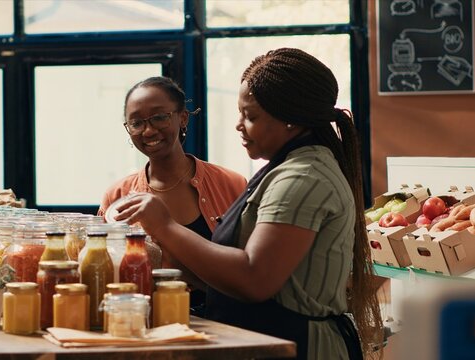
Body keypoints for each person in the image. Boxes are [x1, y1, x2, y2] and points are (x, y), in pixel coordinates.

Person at [113, 49, 383, 359]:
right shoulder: (285, 169)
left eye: (251, 116)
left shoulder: (303, 178)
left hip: (300, 347)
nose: (239, 125)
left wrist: (165, 226)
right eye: (240, 114)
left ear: (291, 120)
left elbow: (255, 279)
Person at [98, 76, 247, 314]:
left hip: (227, 322)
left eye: (159, 117)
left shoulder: (231, 184)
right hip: (147, 323)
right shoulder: (118, 196)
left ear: (183, 117)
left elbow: (250, 271)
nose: (148, 130)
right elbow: (106, 273)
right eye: (136, 123)